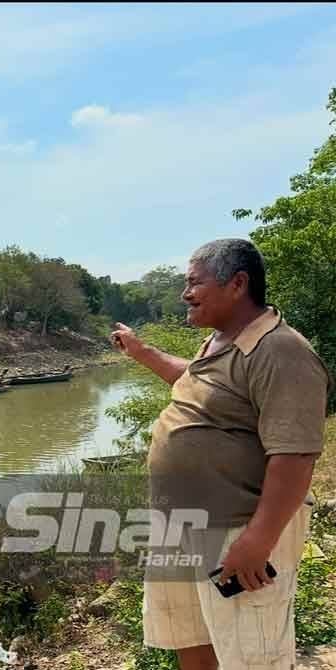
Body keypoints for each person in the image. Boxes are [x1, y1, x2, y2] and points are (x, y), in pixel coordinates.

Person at [111, 238, 332, 670]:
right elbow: (196, 382)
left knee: (253, 656)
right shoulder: (221, 341)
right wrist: (142, 352)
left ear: (237, 284)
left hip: (237, 531)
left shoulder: (280, 350)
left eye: (194, 283)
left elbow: (295, 457)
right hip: (182, 526)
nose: (185, 293)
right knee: (191, 638)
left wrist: (258, 541)